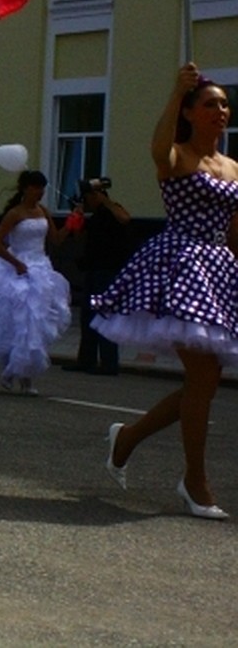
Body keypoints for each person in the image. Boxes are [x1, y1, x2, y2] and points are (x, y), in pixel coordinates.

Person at [92, 63, 238, 520]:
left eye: (224, 104)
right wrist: (176, 89)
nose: (220, 110)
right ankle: (195, 480)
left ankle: (128, 438)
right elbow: (157, 150)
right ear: (190, 113)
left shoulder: (232, 166)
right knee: (202, 379)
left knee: (205, 382)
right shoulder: (175, 155)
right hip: (180, 265)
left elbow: (234, 228)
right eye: (210, 103)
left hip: (220, 268)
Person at [0, 170, 72, 396]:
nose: (40, 192)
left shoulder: (43, 211)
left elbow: (56, 239)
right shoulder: (14, 214)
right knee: (23, 319)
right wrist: (16, 262)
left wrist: (72, 223)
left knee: (37, 322)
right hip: (20, 267)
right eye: (36, 187)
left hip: (41, 267)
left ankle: (25, 374)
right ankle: (14, 371)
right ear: (25, 188)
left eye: (42, 188)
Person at [62, 177, 131, 376]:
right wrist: (77, 218)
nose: (87, 202)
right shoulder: (94, 217)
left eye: (89, 198)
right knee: (88, 317)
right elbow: (78, 237)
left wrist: (104, 200)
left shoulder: (112, 210)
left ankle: (109, 363)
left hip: (109, 270)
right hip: (93, 269)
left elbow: (125, 218)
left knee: (105, 316)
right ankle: (87, 360)